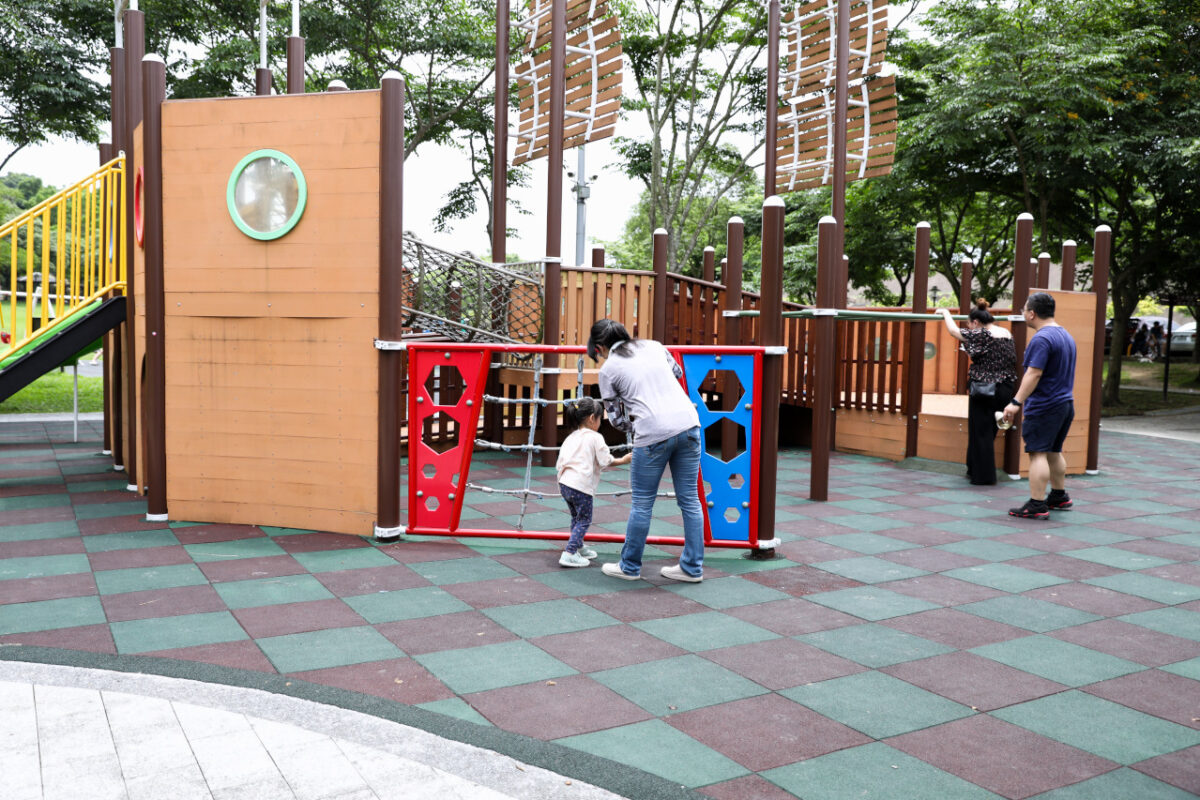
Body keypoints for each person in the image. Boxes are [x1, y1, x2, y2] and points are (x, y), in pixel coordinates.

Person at [587, 319, 705, 582]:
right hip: (689, 423)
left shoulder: (609, 369)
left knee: (642, 503)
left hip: (652, 433)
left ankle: (629, 566)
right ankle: (692, 567)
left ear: (599, 346)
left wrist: (636, 420)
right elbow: (677, 373)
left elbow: (616, 419)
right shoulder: (654, 346)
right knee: (689, 500)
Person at [1001, 292, 1077, 519]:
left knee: (1037, 454)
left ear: (1032, 313)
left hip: (1045, 405)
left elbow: (1033, 373)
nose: (1023, 313)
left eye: (1025, 309)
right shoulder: (1066, 335)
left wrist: (1015, 402)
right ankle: (1059, 495)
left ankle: (1036, 504)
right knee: (1054, 451)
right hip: (1065, 403)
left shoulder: (1042, 339)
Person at [937, 300, 1018, 485]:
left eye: (969, 324)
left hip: (984, 389)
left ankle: (983, 476)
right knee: (989, 431)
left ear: (975, 322)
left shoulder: (982, 334)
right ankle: (973, 468)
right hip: (1005, 388)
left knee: (980, 432)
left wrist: (945, 313)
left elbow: (953, 331)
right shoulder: (1006, 333)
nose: (969, 329)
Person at [555, 397, 631, 568]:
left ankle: (578, 545)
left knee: (576, 516)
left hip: (565, 483)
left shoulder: (571, 437)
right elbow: (605, 460)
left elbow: (561, 460)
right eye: (600, 418)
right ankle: (569, 552)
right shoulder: (595, 437)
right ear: (592, 418)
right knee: (584, 519)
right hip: (581, 485)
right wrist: (624, 460)